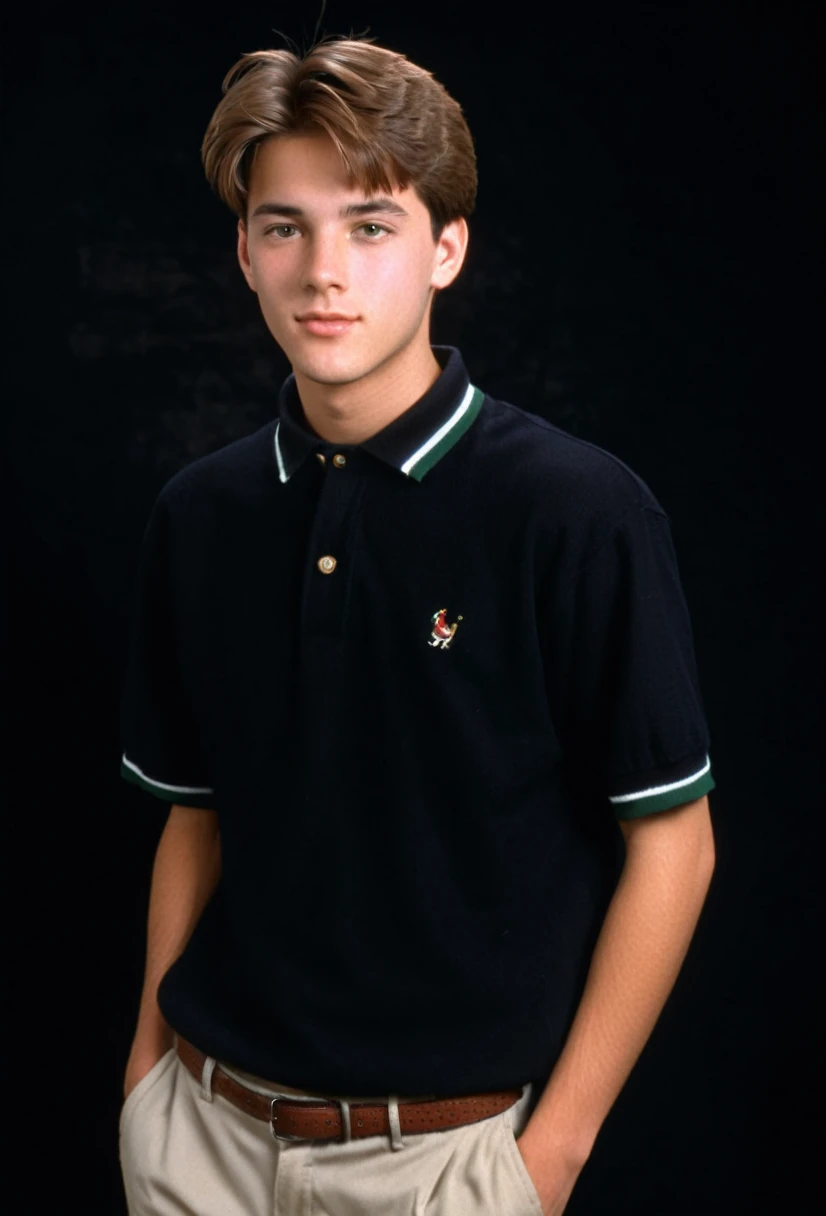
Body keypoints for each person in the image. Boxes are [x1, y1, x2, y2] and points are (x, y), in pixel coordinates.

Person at [118, 34, 717, 1216]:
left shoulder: (576, 511)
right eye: (284, 226)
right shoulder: (202, 515)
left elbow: (676, 845)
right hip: (201, 1139)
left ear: (447, 248)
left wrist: (546, 1162)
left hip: (446, 1163)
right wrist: (146, 1081)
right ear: (244, 252)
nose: (321, 270)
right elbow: (196, 819)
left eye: (370, 226)